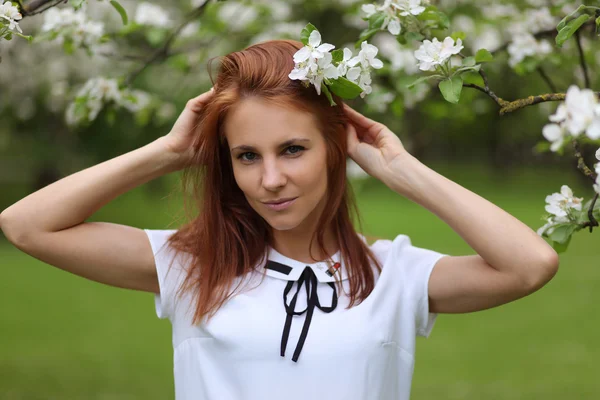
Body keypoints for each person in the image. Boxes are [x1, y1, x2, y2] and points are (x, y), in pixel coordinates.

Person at [0, 39, 559, 400]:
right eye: (247, 155)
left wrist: (401, 170)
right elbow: (27, 225)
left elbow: (530, 264)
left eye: (292, 149)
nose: (269, 179)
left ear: (335, 148)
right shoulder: (193, 263)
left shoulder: (395, 274)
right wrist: (169, 152)